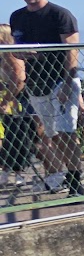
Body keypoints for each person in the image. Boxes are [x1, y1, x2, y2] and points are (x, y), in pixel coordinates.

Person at [9, 0, 82, 194]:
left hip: (61, 80)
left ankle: (76, 182)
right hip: (36, 82)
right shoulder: (17, 17)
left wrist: (68, 84)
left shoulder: (60, 15)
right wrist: (22, 53)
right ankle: (68, 175)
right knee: (52, 135)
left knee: (66, 131)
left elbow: (72, 50)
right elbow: (17, 48)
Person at [0, 24, 32, 188]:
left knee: (17, 136)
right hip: (11, 97)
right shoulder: (4, 55)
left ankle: (18, 172)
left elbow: (19, 80)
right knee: (10, 136)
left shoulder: (12, 55)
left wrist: (6, 100)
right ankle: (6, 170)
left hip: (19, 100)